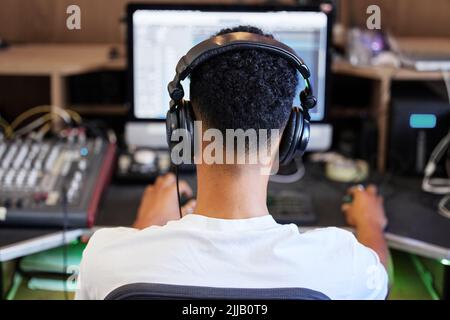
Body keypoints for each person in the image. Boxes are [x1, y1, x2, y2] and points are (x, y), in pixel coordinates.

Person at [76, 26, 388, 300]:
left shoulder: (104, 260)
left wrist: (146, 228)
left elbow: (124, 276)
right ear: (291, 136)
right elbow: (379, 281)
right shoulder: (343, 264)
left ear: (184, 129)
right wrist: (371, 224)